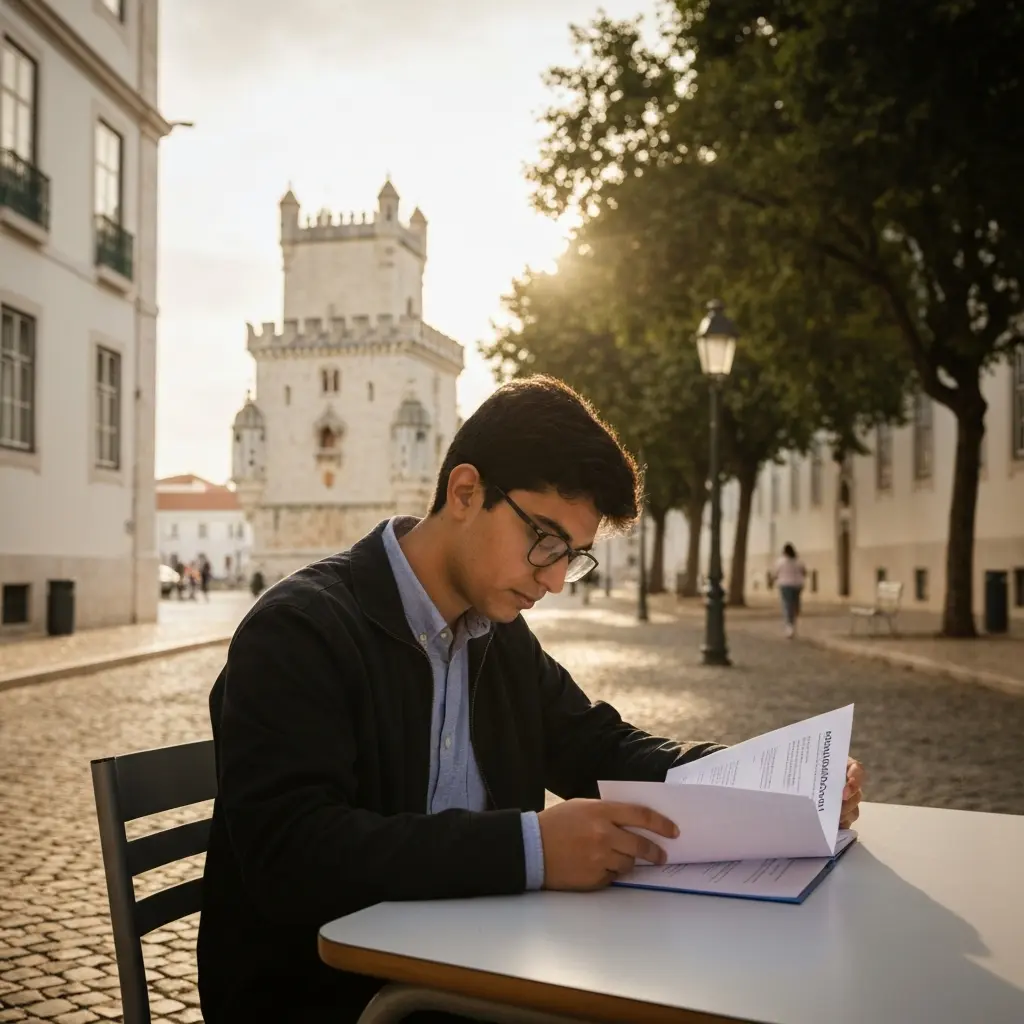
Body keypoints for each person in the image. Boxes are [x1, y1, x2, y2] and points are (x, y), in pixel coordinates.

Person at [197, 376, 864, 1023]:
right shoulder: (301, 630)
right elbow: (291, 854)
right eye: (544, 541)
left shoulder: (498, 635)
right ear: (466, 492)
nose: (555, 580)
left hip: (476, 972)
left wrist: (759, 782)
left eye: (571, 555)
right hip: (341, 998)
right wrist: (531, 848)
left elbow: (597, 745)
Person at [774, 542, 807, 638]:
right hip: (797, 585)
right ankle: (793, 622)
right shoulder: (798, 561)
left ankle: (789, 626)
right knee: (795, 604)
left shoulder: (780, 561)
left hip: (785, 585)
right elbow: (804, 572)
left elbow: (775, 573)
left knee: (787, 605)